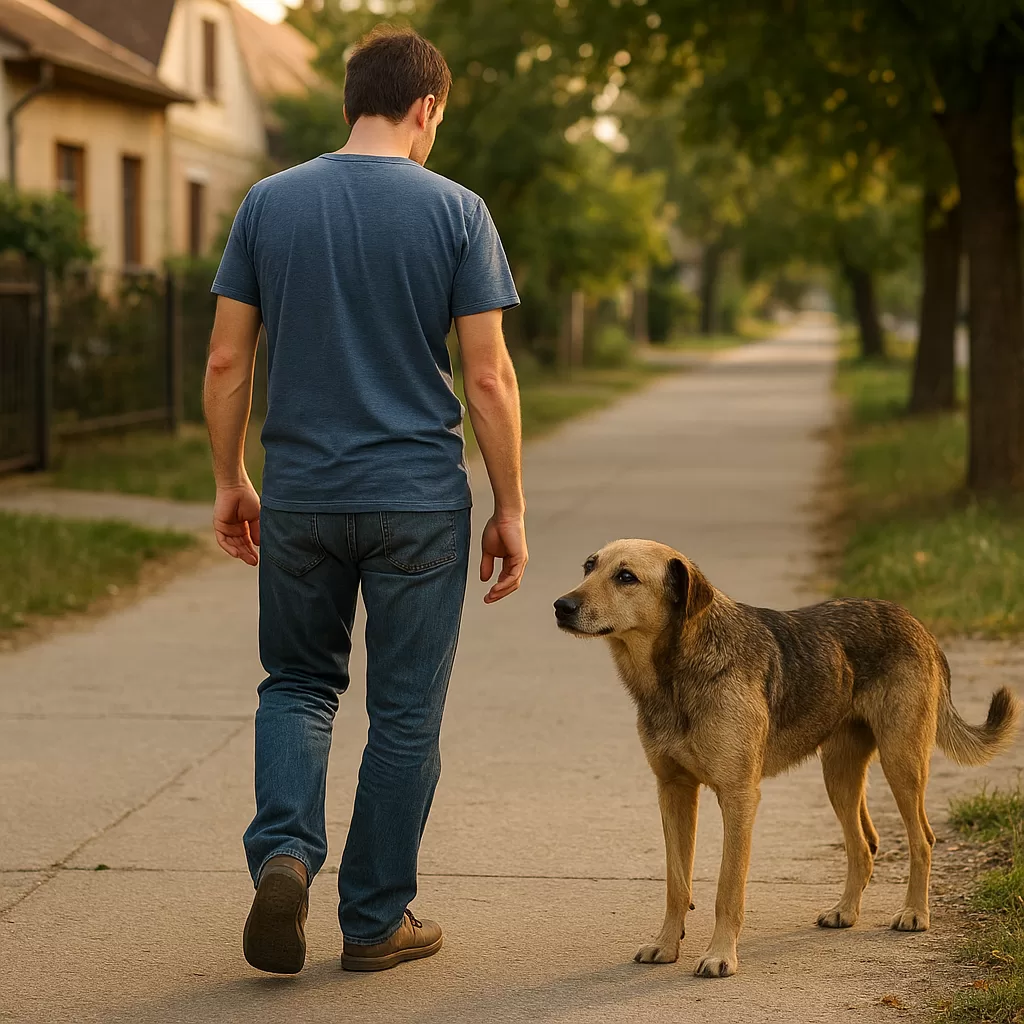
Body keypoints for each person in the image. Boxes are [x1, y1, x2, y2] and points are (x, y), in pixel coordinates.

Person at [203, 25, 527, 976]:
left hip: (301, 497)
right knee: (405, 713)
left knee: (298, 685)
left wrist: (231, 480)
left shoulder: (269, 203)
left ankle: (287, 858)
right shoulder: (459, 212)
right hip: (420, 501)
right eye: (439, 120)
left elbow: (228, 359)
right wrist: (509, 504)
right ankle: (375, 920)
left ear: (353, 99)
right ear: (425, 107)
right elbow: (490, 377)